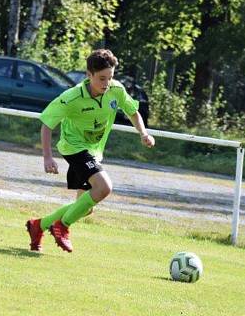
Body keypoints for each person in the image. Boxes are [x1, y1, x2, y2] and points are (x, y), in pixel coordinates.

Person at [25, 49, 155, 253]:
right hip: (73, 147)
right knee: (104, 187)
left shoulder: (116, 90)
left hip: (94, 151)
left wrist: (143, 133)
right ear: (89, 74)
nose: (106, 83)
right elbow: (47, 124)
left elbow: (133, 112)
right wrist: (48, 157)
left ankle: (38, 226)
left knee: (85, 208)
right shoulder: (72, 97)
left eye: (110, 78)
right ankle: (61, 226)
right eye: (102, 78)